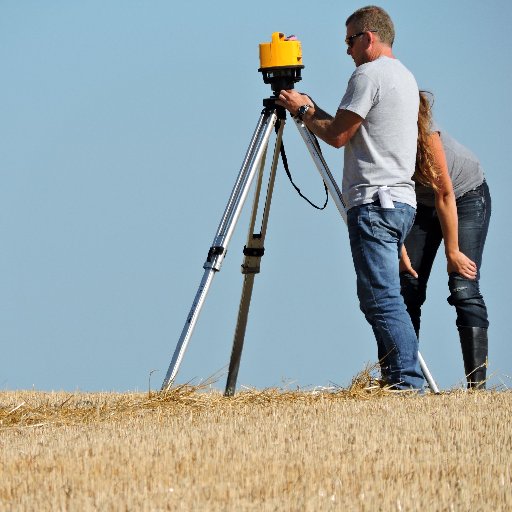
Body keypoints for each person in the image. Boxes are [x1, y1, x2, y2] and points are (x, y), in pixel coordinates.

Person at [277, 6, 424, 389]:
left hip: (375, 202)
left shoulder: (368, 75)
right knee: (383, 297)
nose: (347, 50)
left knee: (380, 299)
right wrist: (308, 107)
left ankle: (405, 384)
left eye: (350, 40)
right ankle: (399, 380)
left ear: (369, 37)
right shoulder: (404, 77)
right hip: (398, 201)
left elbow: (338, 135)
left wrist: (304, 108)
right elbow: (355, 130)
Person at [400, 91, 491, 389]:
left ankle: (477, 389)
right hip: (421, 204)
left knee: (462, 284)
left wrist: (452, 252)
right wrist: (398, 247)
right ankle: (403, 381)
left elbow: (445, 194)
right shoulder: (382, 141)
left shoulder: (426, 139)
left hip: (464, 196)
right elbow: (381, 194)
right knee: (406, 287)